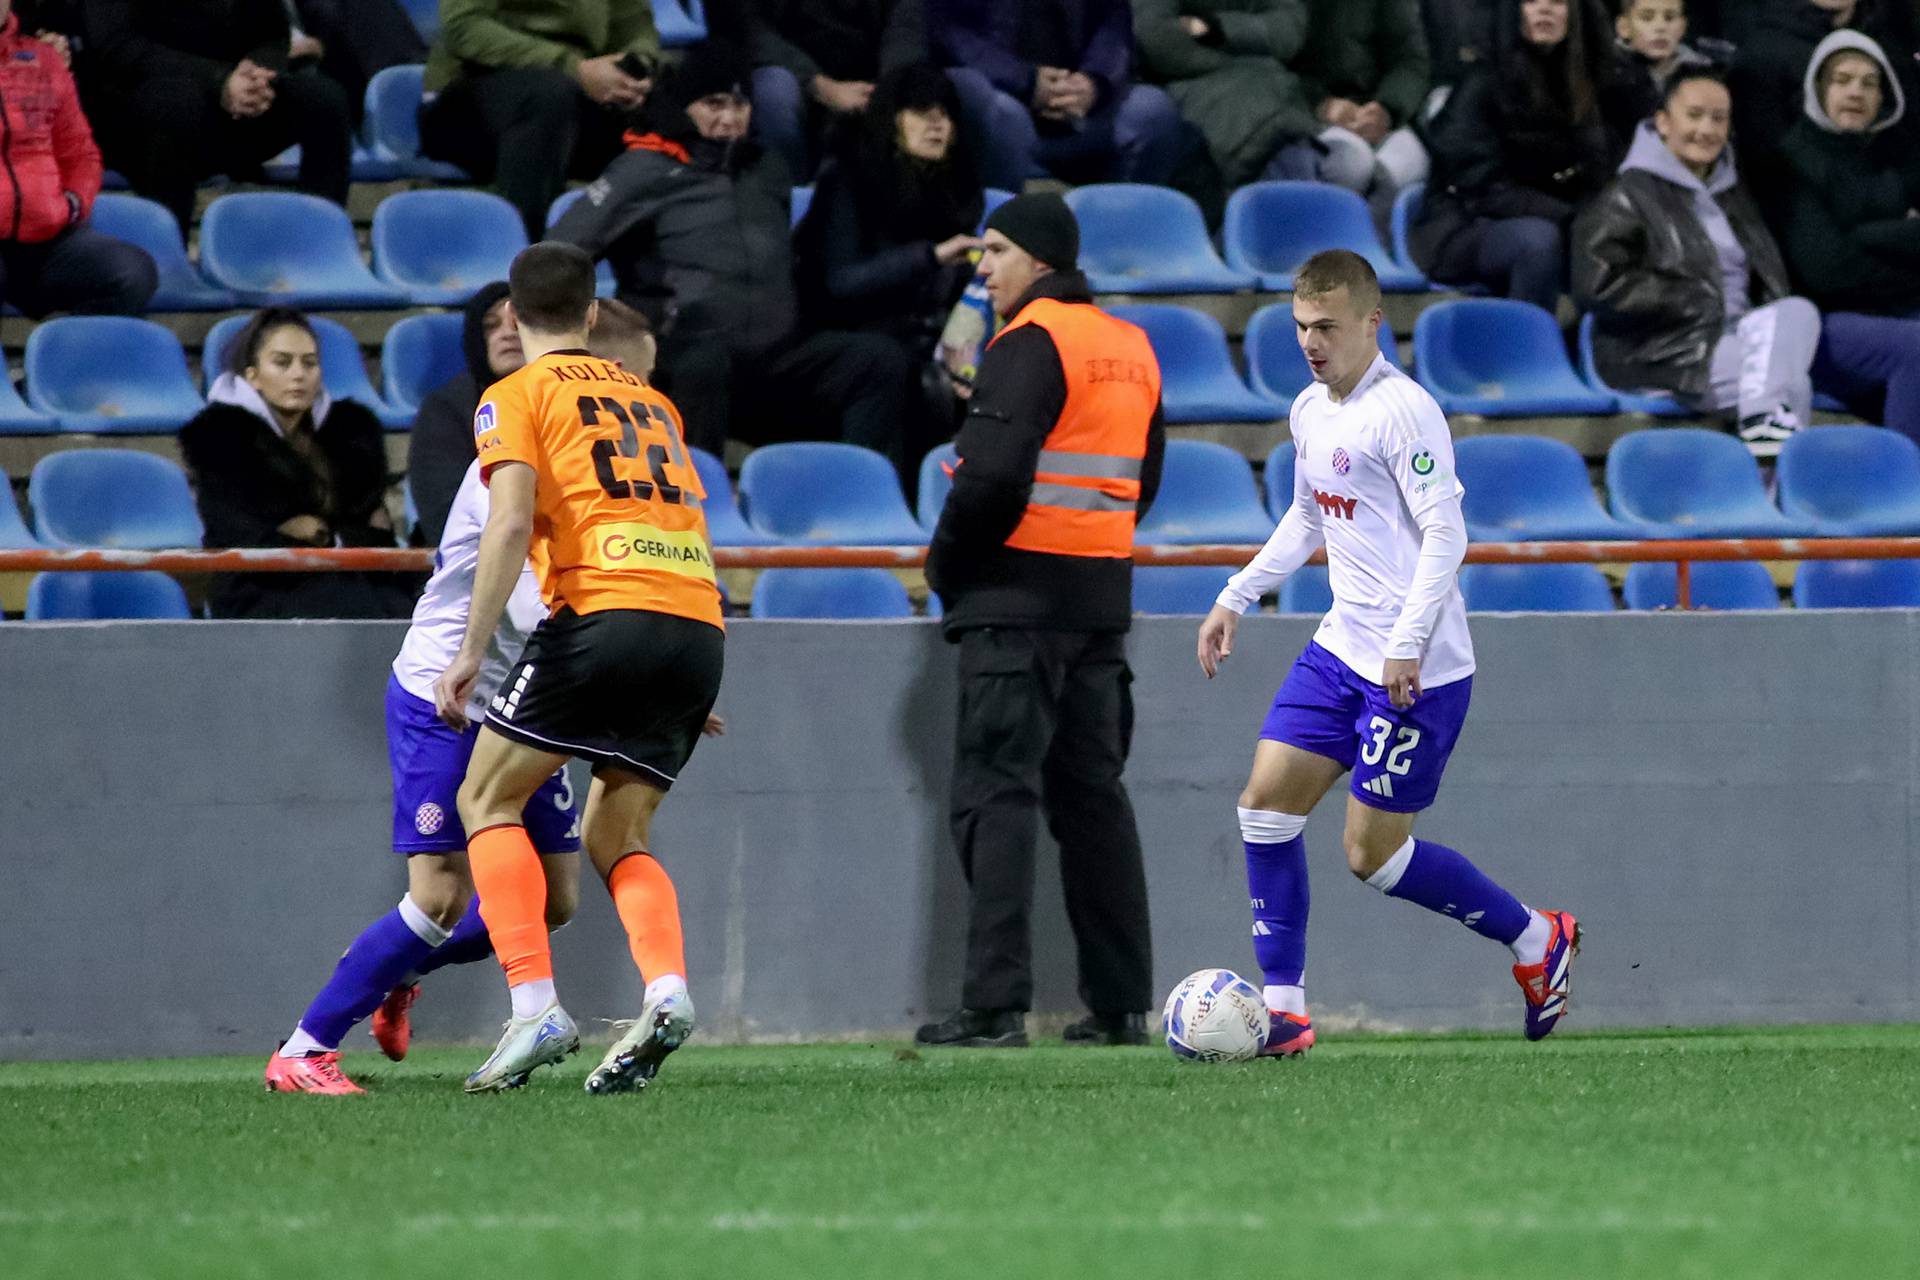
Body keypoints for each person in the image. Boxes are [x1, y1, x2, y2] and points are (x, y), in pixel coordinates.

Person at [263, 298, 673, 1095]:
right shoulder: (515, 456)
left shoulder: (585, 464)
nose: (637, 404)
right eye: (633, 381)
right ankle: (303, 1048)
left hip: (526, 694)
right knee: (441, 894)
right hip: (445, 691)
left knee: (553, 899)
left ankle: (396, 973)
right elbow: (531, 603)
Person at [1197, 249, 1579, 1057]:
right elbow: (1308, 518)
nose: (1311, 341)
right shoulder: (1309, 410)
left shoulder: (1404, 411)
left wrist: (1405, 644)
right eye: (1301, 326)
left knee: (1370, 856)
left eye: (1327, 326)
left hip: (1418, 671)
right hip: (1341, 648)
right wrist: (1237, 594)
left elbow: (1448, 530)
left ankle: (1538, 939)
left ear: (1374, 322)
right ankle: (1286, 1013)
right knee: (1263, 810)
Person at [433, 241, 724, 1096]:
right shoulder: (654, 403)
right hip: (695, 621)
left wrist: (472, 647)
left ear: (514, 319)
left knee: (485, 797)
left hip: (601, 610)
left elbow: (511, 520)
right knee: (616, 835)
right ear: (594, 316)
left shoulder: (513, 395)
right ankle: (666, 991)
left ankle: (533, 1005)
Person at [917, 193, 1165, 1050]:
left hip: (1013, 606)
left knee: (997, 796)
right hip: (1098, 608)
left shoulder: (1028, 341)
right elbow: (1147, 477)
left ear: (1039, 260)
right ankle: (1121, 1005)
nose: (984, 269)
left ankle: (994, 1007)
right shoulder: (1132, 348)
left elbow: (986, 479)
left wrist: (946, 569)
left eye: (995, 252)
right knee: (1095, 801)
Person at [552, 40, 922, 472]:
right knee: (703, 363)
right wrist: (614, 328)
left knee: (878, 362)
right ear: (685, 105)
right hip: (683, 351)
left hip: (775, 353)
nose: (729, 118)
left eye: (740, 104)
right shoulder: (643, 169)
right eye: (713, 104)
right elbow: (561, 254)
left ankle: (861, 491)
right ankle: (696, 509)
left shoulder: (768, 168)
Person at [1574, 70, 1920, 449]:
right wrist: (1701, 299)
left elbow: (1766, 284)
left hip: (1748, 340)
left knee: (1798, 311)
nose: (1707, 129)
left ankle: (1767, 431)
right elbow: (1598, 285)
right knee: (1789, 382)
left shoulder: (1733, 193)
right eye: (1695, 115)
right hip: (1672, 348)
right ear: (1663, 122)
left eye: (1718, 118)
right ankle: (1771, 460)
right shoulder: (1626, 194)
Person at [794, 63, 984, 458]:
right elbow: (839, 282)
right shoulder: (847, 179)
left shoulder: (956, 186)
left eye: (945, 114)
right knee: (892, 367)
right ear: (891, 119)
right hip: (847, 335)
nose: (937, 124)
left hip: (922, 337)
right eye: (921, 112)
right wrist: (929, 257)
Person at [180, 308, 414, 619]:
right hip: (260, 592)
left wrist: (322, 536)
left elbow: (379, 535)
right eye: (282, 362)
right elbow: (243, 539)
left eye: (310, 363)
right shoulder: (221, 441)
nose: (298, 374)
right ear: (253, 375)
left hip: (352, 582)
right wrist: (340, 538)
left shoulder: (351, 435)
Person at [1410, 0, 1623, 311]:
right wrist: (1571, 217)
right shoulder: (1480, 83)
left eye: (1557, 2)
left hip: (1552, 219)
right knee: (1537, 241)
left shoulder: (1588, 86)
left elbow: (1599, 171)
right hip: (1464, 223)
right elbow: (1480, 186)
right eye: (1532, 1)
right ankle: (1525, 352)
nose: (1544, 9)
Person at [77, 0, 356, 233]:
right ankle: (170, 256)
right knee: (175, 105)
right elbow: (115, 46)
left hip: (230, 102)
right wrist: (219, 80)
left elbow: (274, 33)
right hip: (135, 112)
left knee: (325, 101)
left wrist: (256, 75)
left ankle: (320, 241)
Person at [420, 0, 661, 240]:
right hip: (471, 98)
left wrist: (635, 69)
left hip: (578, 98)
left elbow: (636, 28)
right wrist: (574, 68)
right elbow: (463, 27)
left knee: (676, 108)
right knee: (550, 97)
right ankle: (528, 259)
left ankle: (668, 264)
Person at [0, 0, 155, 318]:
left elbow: (80, 153)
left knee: (131, 273)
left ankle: (65, 360)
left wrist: (72, 204)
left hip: (48, 238)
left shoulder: (44, 60)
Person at [929, 0, 1184, 190]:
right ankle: (1008, 235)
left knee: (1151, 109)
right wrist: (1026, 81)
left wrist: (1093, 83)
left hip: (1079, 107)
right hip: (998, 98)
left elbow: (1113, 25)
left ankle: (1116, 234)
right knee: (1001, 110)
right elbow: (946, 33)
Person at [1779, 30, 1920, 316]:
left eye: (1869, 84)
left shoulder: (1891, 148)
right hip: (1831, 315)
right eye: (1842, 80)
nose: (1856, 93)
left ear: (1882, 97)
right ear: (1818, 88)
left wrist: (1862, 236)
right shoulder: (1792, 158)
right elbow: (1827, 269)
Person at [1731, 0, 1919, 200]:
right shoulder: (1765, 51)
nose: (1855, 92)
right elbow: (1770, 164)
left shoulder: (1889, 42)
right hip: (1807, 207)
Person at [1130, 0, 1320, 190]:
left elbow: (1287, 31)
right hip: (1183, 88)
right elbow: (1157, 37)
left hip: (1272, 94)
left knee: (1304, 157)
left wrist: (1216, 27)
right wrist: (1237, 62)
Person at [744, 0, 931, 182]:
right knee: (775, 93)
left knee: (919, 90)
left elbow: (906, 27)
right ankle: (782, 194)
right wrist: (820, 86)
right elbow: (751, 28)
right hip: (795, 73)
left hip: (872, 81)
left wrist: (885, 90)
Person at [1276, 0, 1434, 209]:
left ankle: (1373, 240)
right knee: (1352, 164)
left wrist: (1387, 109)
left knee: (1409, 163)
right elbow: (1265, 70)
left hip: (1373, 110)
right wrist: (1321, 104)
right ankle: (1330, 237)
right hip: (1302, 116)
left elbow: (1410, 61)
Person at [408, 282, 524, 547]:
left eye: (519, 323)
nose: (508, 334)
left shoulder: (567, 397)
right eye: (491, 326)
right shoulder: (445, 409)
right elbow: (444, 517)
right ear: (475, 339)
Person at [1601, 0, 1714, 139]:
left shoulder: (1702, 74)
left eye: (1670, 18)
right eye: (1647, 18)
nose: (1660, 27)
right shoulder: (1607, 76)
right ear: (1624, 27)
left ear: (1683, 27)